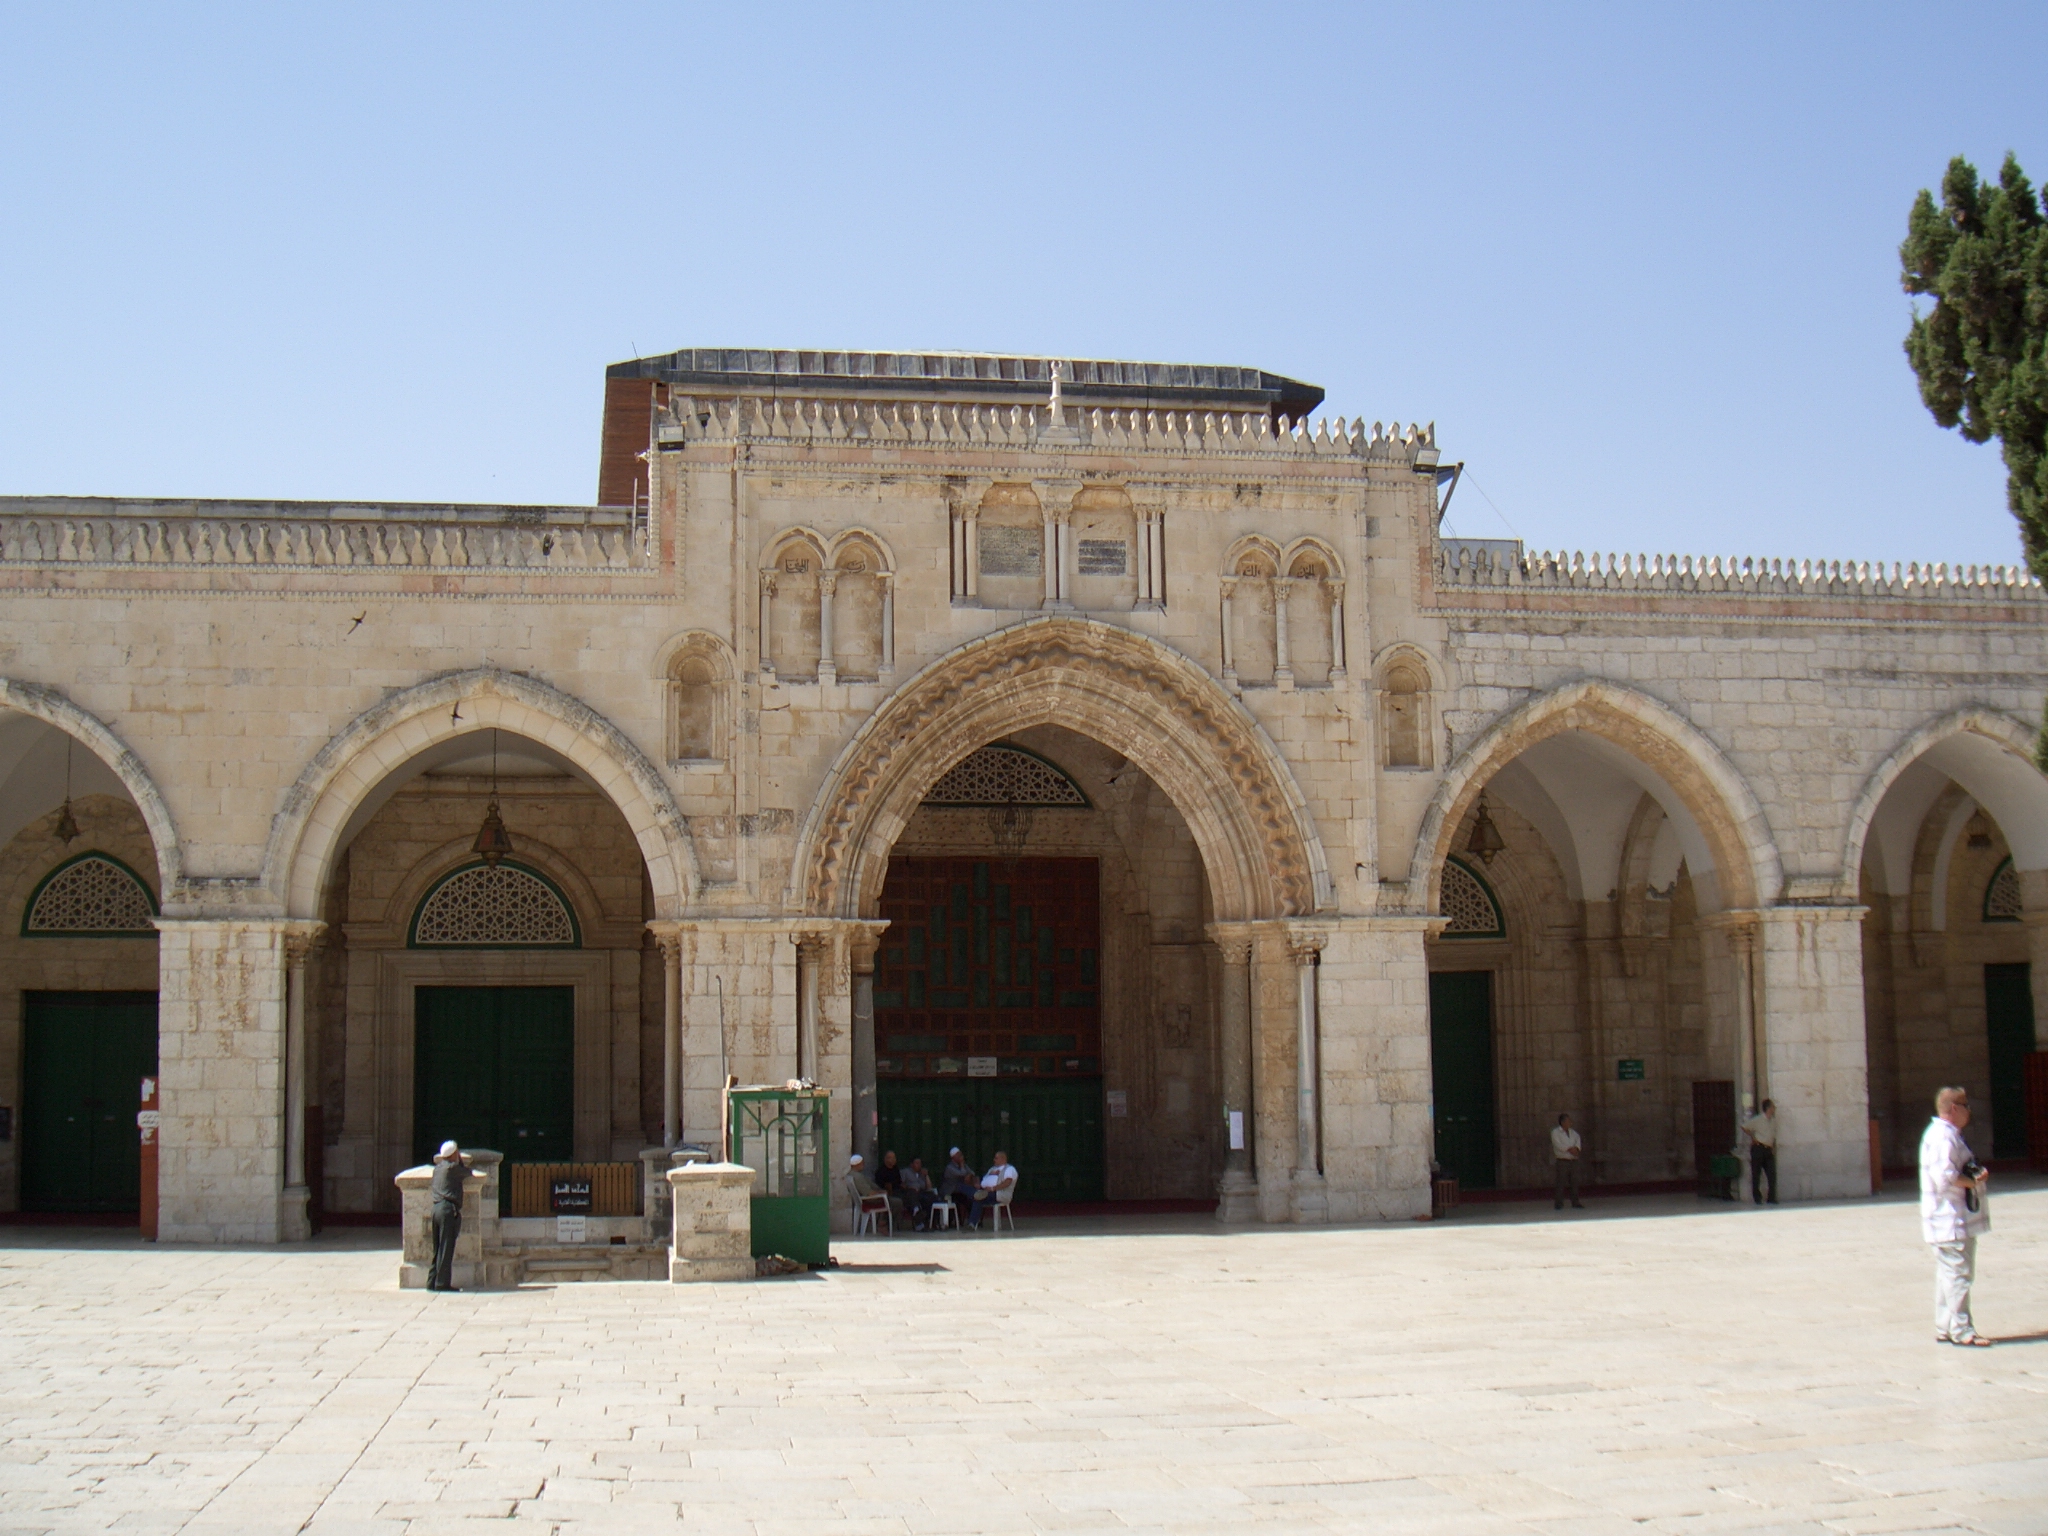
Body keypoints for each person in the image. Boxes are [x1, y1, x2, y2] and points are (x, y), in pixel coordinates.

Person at [1920, 1086, 1991, 1347]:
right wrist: (1972, 1182)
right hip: (1949, 1221)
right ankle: (1962, 1330)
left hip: (1946, 1221)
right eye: (1966, 1105)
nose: (1969, 1111)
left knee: (1948, 1274)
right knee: (1958, 1275)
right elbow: (1945, 1177)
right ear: (1953, 1109)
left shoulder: (1946, 1135)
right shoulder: (1943, 1137)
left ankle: (1945, 1325)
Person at [428, 1140, 467, 1292]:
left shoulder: (438, 1169)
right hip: (447, 1211)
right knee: (446, 1247)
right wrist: (460, 1160)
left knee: (437, 1248)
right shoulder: (453, 1168)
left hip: (436, 1208)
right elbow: (467, 1173)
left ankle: (432, 1281)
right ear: (454, 1154)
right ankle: (442, 1283)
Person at [966, 1150, 1019, 1228]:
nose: (994, 1160)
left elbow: (1007, 1182)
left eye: (996, 1158)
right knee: (978, 1199)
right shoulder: (992, 1169)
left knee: (980, 1196)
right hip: (987, 1192)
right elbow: (985, 1180)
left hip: (1000, 1194)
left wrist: (993, 1188)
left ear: (1003, 1159)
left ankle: (973, 1221)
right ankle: (972, 1224)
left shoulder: (1009, 1169)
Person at [1741, 1099, 1778, 1205]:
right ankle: (1757, 1198)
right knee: (1756, 1174)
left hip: (1768, 1149)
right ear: (1768, 1108)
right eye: (1772, 1107)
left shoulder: (1773, 1121)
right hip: (1758, 1148)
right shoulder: (1758, 1120)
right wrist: (1753, 1137)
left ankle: (1771, 1197)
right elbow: (1744, 1127)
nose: (1774, 1109)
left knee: (1771, 1174)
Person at [1551, 1113, 1583, 1210]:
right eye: (1568, 1121)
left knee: (1574, 1182)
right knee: (1561, 1182)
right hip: (1562, 1160)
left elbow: (1578, 1141)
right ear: (1562, 1122)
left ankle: (1575, 1202)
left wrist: (1576, 1149)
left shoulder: (1573, 1133)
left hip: (1573, 1160)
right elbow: (1558, 1145)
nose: (1570, 1122)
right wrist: (1569, 1149)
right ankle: (1559, 1203)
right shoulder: (1555, 1132)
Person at [938, 1147, 977, 1219]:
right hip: (951, 1191)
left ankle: (973, 1219)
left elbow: (972, 1173)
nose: (961, 1156)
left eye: (961, 1154)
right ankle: (975, 1193)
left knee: (970, 1200)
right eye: (958, 1155)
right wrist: (962, 1165)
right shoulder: (950, 1167)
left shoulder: (964, 1165)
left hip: (960, 1192)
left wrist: (969, 1175)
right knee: (960, 1186)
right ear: (953, 1157)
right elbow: (962, 1173)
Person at [900, 1156, 937, 1230]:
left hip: (921, 1193)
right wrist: (908, 1187)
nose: (919, 1165)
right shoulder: (905, 1172)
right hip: (909, 1193)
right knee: (912, 1193)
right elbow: (901, 1184)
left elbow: (929, 1187)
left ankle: (931, 1221)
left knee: (932, 1197)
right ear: (911, 1164)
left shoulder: (921, 1174)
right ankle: (916, 1210)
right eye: (917, 1163)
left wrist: (926, 1175)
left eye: (920, 1163)